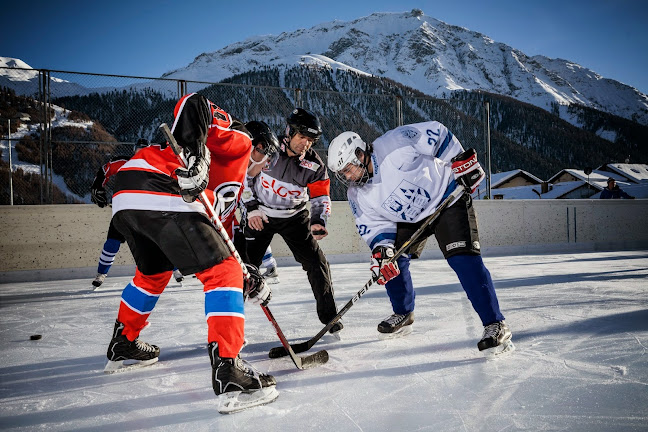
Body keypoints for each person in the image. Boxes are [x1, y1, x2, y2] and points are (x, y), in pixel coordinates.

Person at [104, 93, 277, 411]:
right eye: (269, 158)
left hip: (129, 197)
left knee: (153, 274)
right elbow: (193, 103)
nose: (268, 166)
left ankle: (124, 342)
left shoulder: (233, 191)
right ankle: (228, 368)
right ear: (259, 147)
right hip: (161, 184)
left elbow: (216, 246)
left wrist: (246, 277)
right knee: (223, 272)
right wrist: (198, 157)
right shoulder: (240, 140)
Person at [327, 123, 514, 356]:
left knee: (463, 261)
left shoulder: (395, 144)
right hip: (410, 217)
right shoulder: (356, 193)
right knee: (390, 260)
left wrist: (460, 162)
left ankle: (494, 323)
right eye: (342, 174)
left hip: (447, 199)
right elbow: (374, 225)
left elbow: (438, 134)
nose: (347, 177)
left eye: (348, 169)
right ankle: (403, 313)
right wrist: (381, 249)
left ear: (360, 154)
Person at [242, 108, 341, 334]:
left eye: (310, 140)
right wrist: (252, 209)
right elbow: (244, 179)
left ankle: (330, 319)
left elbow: (321, 197)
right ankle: (230, 323)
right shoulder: (268, 152)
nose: (305, 144)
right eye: (302, 137)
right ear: (289, 132)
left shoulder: (315, 166)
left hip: (294, 218)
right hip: (261, 216)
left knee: (317, 263)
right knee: (242, 270)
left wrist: (318, 220)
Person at [90, 139, 184, 287]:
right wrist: (96, 186)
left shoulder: (153, 166)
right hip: (125, 211)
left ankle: (176, 268)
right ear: (134, 150)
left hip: (147, 212)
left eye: (144, 150)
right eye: (138, 150)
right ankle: (101, 274)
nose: (140, 154)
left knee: (163, 240)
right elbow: (104, 170)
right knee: (112, 243)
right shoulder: (123, 162)